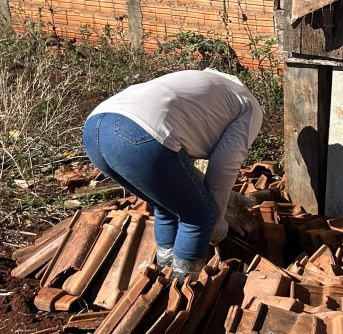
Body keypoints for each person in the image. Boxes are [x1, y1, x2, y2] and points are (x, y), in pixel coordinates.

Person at [82, 68, 263, 282]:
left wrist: (223, 200)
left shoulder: (200, 88)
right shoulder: (249, 106)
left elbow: (178, 170)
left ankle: (162, 280)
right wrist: (218, 217)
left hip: (95, 130)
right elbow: (224, 165)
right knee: (199, 217)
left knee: (167, 207)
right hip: (140, 133)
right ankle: (182, 290)